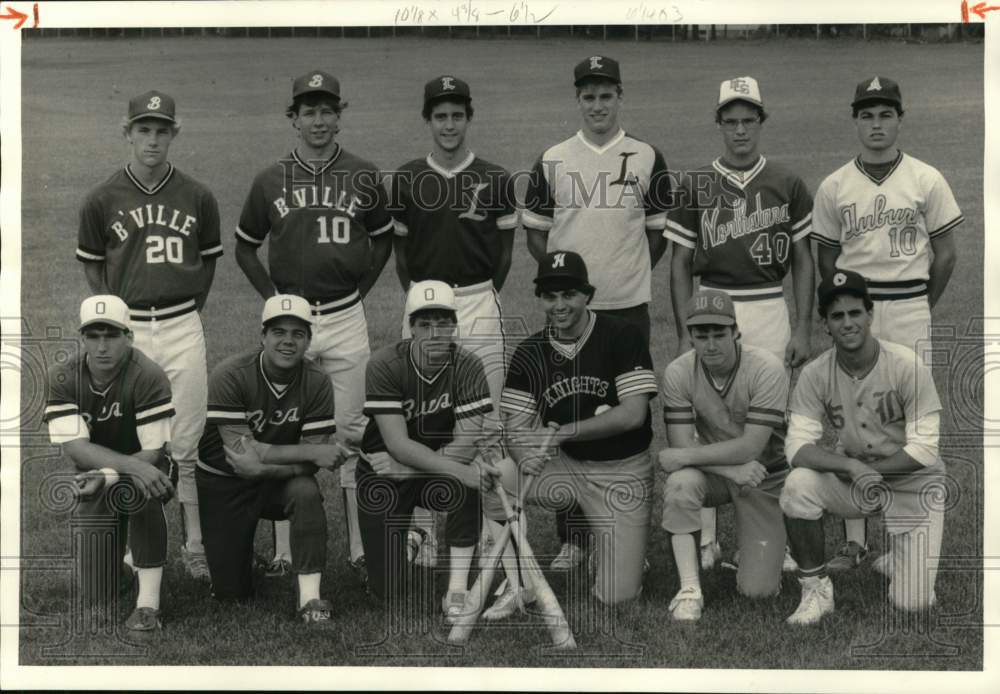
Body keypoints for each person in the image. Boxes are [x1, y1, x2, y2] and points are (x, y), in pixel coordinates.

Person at [235, 69, 394, 582]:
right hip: (290, 322)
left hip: (346, 315)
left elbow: (383, 239)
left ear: (339, 116)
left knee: (350, 430)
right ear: (294, 118)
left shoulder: (364, 174)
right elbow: (244, 245)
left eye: (328, 111)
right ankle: (284, 547)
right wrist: (273, 300)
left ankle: (358, 548)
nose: (319, 120)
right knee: (284, 427)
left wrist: (359, 292)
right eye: (309, 112)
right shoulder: (269, 179)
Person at [522, 55, 672, 569]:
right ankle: (574, 537)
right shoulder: (554, 158)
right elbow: (537, 233)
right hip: (568, 311)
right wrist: (567, 287)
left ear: (619, 96)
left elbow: (656, 234)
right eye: (588, 96)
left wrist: (622, 276)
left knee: (627, 421)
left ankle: (628, 531)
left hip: (627, 308)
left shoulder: (648, 156)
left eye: (606, 95)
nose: (597, 105)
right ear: (578, 100)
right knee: (565, 413)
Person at [811, 76, 962, 572]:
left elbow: (945, 254)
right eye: (867, 115)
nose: (876, 124)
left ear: (900, 118)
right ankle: (855, 540)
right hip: (857, 311)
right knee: (849, 416)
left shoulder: (925, 178)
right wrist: (849, 315)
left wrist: (921, 302)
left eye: (885, 114)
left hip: (909, 305)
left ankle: (902, 542)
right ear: (855, 120)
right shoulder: (835, 185)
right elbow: (828, 259)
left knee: (906, 420)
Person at [665, 76, 813, 571]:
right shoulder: (694, 184)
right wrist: (687, 330)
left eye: (749, 120)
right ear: (719, 125)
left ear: (761, 122)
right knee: (708, 422)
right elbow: (679, 262)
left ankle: (775, 528)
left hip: (769, 303)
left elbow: (803, 259)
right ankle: (707, 538)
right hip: (713, 306)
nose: (740, 130)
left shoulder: (788, 182)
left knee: (771, 425)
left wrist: (804, 326)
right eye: (731, 121)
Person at [76, 90, 222, 581]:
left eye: (162, 130)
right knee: (133, 437)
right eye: (144, 129)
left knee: (187, 440)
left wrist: (180, 307)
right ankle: (131, 544)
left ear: (174, 133)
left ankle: (195, 541)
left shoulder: (198, 195)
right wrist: (119, 318)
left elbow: (207, 265)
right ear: (128, 133)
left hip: (183, 324)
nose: (153, 139)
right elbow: (93, 267)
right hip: (129, 330)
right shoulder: (102, 197)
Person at [390, 75, 519, 568]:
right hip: (423, 306)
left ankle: (490, 529)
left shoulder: (496, 177)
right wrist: (424, 300)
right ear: (428, 120)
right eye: (439, 116)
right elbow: (402, 252)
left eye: (457, 115)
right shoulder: (405, 178)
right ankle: (422, 528)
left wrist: (477, 292)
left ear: (469, 117)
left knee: (485, 421)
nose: (449, 124)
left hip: (478, 300)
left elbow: (504, 254)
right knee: (421, 414)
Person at [485, 251, 657, 611]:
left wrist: (564, 431)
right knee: (497, 479)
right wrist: (523, 455)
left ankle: (609, 546)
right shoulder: (531, 351)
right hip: (564, 466)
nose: (559, 305)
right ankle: (520, 582)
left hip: (621, 470)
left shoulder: (621, 336)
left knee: (617, 596)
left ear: (587, 295)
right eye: (550, 296)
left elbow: (633, 415)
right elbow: (515, 426)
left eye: (569, 294)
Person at [780, 271, 946, 624]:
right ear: (825, 323)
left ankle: (901, 559)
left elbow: (925, 449)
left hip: (913, 482)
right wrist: (851, 468)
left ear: (870, 314)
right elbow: (796, 447)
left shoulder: (905, 365)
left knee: (912, 603)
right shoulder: (815, 374)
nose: (848, 323)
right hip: (855, 479)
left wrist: (863, 470)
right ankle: (816, 590)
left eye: (855, 312)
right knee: (797, 487)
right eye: (837, 316)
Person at [195, 295, 345, 622]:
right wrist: (311, 451)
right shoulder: (231, 373)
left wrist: (273, 467)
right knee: (230, 594)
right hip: (224, 480)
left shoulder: (317, 380)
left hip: (278, 479)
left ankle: (310, 597)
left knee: (305, 490)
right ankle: (241, 558)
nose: (288, 341)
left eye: (298, 333)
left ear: (308, 340)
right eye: (279, 332)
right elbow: (245, 456)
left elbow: (303, 466)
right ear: (262, 336)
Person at [355, 280, 499, 619]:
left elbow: (466, 443)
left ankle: (457, 587)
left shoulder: (468, 365)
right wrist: (458, 469)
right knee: (386, 591)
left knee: (465, 484)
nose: (435, 332)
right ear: (411, 328)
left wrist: (413, 471)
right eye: (425, 324)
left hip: (414, 469)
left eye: (443, 322)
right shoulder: (386, 364)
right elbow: (397, 444)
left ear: (455, 325)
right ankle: (412, 538)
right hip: (382, 473)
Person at [44, 295, 176, 632]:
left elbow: (152, 454)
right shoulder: (62, 376)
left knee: (140, 486)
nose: (102, 345)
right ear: (83, 337)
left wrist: (113, 472)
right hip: (94, 472)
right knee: (98, 592)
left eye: (112, 335)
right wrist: (106, 474)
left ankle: (148, 605)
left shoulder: (148, 374)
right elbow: (77, 449)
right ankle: (129, 566)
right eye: (94, 335)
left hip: (146, 465)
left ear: (129, 337)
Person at [658, 289, 791, 621]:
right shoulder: (678, 372)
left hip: (765, 474)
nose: (711, 344)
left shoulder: (766, 368)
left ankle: (762, 549)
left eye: (719, 333)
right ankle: (689, 588)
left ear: (736, 332)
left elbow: (751, 447)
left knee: (757, 591)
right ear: (691, 337)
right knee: (681, 482)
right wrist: (730, 471)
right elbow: (679, 446)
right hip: (722, 473)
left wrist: (686, 456)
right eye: (702, 335)